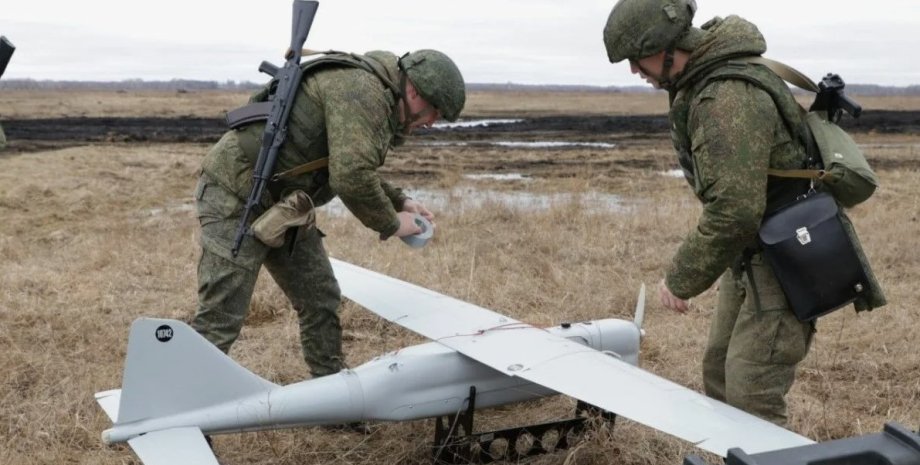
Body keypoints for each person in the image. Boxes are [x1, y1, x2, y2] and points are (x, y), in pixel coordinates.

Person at [602, 0, 884, 425]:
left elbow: (735, 211)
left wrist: (681, 279)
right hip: (755, 252)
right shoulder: (706, 79)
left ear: (664, 48)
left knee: (751, 393)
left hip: (787, 255)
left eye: (635, 59)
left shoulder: (724, 98)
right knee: (719, 374)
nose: (634, 71)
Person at [193, 49, 465, 378]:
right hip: (235, 194)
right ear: (413, 91)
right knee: (221, 317)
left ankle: (334, 391)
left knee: (320, 298)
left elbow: (348, 159)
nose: (431, 122)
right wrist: (393, 223)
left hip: (286, 206)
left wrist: (399, 201)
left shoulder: (375, 91)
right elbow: (350, 176)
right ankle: (176, 412)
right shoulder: (361, 91)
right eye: (433, 110)